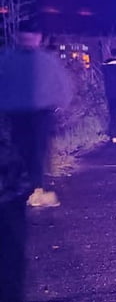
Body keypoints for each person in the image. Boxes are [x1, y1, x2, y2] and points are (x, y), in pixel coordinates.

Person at [0, 26, 74, 208]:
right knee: (36, 150)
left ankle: (24, 187)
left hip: (19, 113)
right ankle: (35, 190)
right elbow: (63, 86)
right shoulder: (46, 60)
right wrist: (61, 104)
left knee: (22, 148)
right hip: (38, 113)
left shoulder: (8, 59)